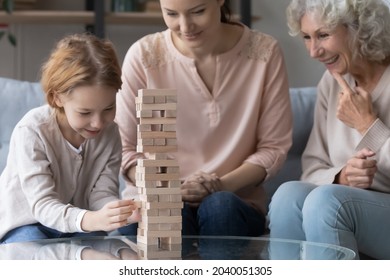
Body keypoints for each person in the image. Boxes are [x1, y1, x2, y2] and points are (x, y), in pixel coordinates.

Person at [116, 0, 292, 237]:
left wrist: (220, 186)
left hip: (234, 202)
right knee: (170, 211)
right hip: (157, 198)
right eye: (171, 14)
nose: (185, 26)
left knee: (220, 205)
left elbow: (273, 148)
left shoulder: (264, 52)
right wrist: (172, 189)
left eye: (197, 12)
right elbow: (124, 151)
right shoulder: (143, 57)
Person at [268, 0, 390, 259]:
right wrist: (343, 177)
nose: (313, 51)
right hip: (351, 206)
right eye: (306, 37)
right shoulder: (331, 83)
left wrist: (367, 125)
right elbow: (312, 168)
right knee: (287, 195)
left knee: (327, 203)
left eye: (323, 35)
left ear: (360, 28)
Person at [0, 33, 139, 244]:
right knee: (30, 255)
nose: (98, 123)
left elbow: (101, 193)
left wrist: (118, 212)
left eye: (109, 108)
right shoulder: (32, 130)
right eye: (85, 112)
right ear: (57, 97)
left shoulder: (110, 134)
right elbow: (43, 206)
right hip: (28, 223)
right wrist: (92, 220)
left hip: (80, 225)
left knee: (107, 250)